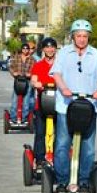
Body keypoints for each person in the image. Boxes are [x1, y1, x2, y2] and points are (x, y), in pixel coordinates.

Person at [50, 19, 97, 193]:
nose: (82, 39)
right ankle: (62, 180)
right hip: (66, 107)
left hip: (89, 107)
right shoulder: (64, 53)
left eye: (85, 36)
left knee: (88, 148)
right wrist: (64, 88)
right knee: (62, 144)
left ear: (88, 37)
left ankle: (83, 180)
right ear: (73, 36)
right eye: (78, 35)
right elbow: (56, 74)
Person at [29, 37, 59, 167]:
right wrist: (37, 83)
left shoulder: (60, 65)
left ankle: (58, 158)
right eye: (47, 47)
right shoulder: (38, 65)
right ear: (43, 49)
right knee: (41, 133)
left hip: (58, 104)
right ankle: (40, 159)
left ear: (55, 49)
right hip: (42, 103)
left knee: (60, 134)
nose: (50, 49)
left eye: (52, 47)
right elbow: (33, 80)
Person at [8, 43, 34, 121]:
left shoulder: (32, 59)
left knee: (26, 101)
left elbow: (35, 70)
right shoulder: (16, 57)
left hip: (28, 82)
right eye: (24, 48)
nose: (25, 50)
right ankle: (13, 118)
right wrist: (14, 73)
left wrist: (30, 74)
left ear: (29, 50)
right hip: (18, 81)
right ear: (22, 49)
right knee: (14, 100)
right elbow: (10, 66)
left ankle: (24, 118)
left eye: (27, 49)